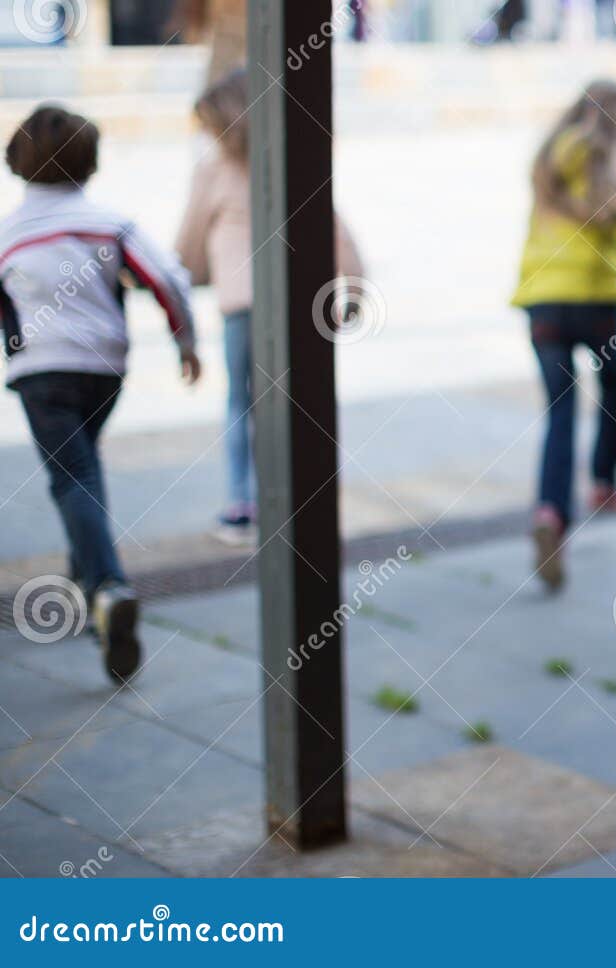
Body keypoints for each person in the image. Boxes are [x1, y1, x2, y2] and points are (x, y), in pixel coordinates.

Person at [1, 105, 202, 684]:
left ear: (17, 163)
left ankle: (109, 589)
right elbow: (167, 280)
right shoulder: (111, 224)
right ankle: (85, 584)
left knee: (72, 478)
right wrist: (185, 340)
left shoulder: (9, 232)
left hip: (41, 372)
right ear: (91, 163)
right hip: (104, 369)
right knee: (82, 469)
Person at [174, 67, 365, 546]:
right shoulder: (289, 161)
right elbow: (334, 227)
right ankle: (293, 495)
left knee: (240, 401)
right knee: (287, 401)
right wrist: (355, 288)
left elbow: (191, 239)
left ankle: (241, 503)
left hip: (239, 303)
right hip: (291, 302)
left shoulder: (213, 171)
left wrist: (189, 276)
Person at [511, 79, 616, 592]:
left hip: (543, 303)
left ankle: (550, 513)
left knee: (559, 409)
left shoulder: (547, 163)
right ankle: (603, 480)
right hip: (597, 303)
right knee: (613, 384)